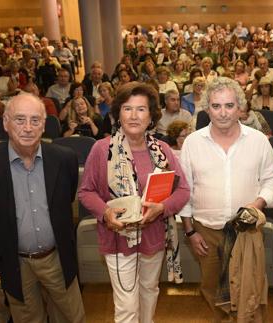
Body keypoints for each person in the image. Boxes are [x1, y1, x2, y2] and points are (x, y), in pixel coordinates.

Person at [0, 93, 86, 323]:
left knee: (73, 317)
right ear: (5, 123)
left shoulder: (64, 159)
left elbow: (67, 198)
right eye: (20, 120)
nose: (28, 128)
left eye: (35, 120)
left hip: (57, 257)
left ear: (44, 125)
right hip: (15, 261)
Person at [78, 82, 190, 323]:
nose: (133, 115)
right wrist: (106, 212)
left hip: (154, 236)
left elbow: (182, 190)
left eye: (141, 109)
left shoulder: (162, 151)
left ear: (151, 116)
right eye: (127, 109)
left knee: (149, 293)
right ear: (118, 113)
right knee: (127, 306)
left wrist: (162, 208)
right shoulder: (101, 149)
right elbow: (86, 192)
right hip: (118, 238)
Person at [179, 77, 273, 322]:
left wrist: (255, 205)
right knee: (214, 292)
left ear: (240, 107)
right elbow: (184, 191)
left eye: (229, 106)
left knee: (250, 291)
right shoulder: (193, 143)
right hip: (206, 232)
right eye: (216, 106)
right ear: (207, 108)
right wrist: (190, 233)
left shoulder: (258, 141)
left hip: (246, 232)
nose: (223, 113)